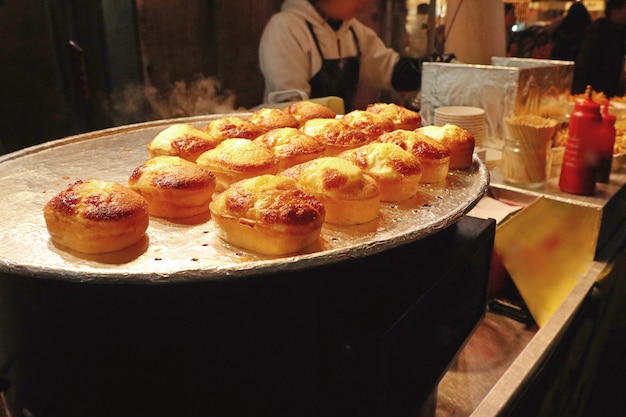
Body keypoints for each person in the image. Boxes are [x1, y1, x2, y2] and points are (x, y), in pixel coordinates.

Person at [258, 0, 431, 111]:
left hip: (340, 135)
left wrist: (434, 68)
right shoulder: (286, 28)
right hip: (297, 140)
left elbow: (389, 69)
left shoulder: (354, 30)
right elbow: (292, 107)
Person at [572, 0, 626, 97]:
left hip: (607, 92)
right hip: (595, 92)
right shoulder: (599, 30)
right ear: (616, 11)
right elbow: (585, 63)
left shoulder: (619, 32)